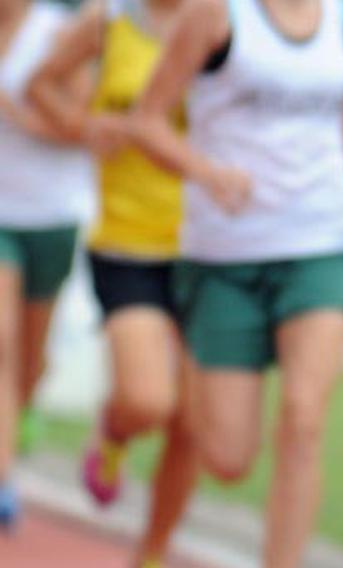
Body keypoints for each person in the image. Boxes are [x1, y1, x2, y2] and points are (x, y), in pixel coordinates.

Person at [127, 0, 343, 564]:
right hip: (226, 254)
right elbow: (145, 120)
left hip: (323, 243)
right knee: (227, 457)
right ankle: (179, 394)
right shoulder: (217, 16)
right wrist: (206, 172)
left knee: (303, 421)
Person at [27, 0, 199, 564]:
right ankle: (116, 428)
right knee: (148, 399)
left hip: (213, 247)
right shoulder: (110, 21)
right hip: (127, 240)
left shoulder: (229, 24)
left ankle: (153, 549)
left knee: (192, 421)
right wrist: (83, 126)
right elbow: (40, 85)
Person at [0, 0, 91, 530]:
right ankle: (4, 476)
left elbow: (86, 128)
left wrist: (21, 114)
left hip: (53, 213)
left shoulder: (62, 33)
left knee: (30, 359)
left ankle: (24, 409)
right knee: (1, 341)